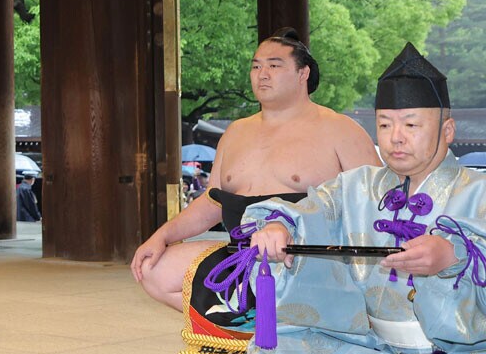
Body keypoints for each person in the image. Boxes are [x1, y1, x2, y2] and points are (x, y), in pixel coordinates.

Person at [237, 43, 486, 354]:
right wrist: (278, 227)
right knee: (272, 348)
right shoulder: (358, 185)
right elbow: (310, 210)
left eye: (411, 124)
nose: (396, 137)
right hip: (369, 347)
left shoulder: (478, 190)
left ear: (447, 130)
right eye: (385, 125)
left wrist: (453, 253)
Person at [131, 29, 380, 312]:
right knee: (153, 270)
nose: (262, 74)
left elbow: (373, 204)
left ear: (303, 74)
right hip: (241, 252)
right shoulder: (236, 132)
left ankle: (287, 326)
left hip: (308, 257)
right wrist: (162, 235)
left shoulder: (340, 129)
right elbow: (212, 202)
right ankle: (243, 326)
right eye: (256, 66)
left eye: (274, 66)